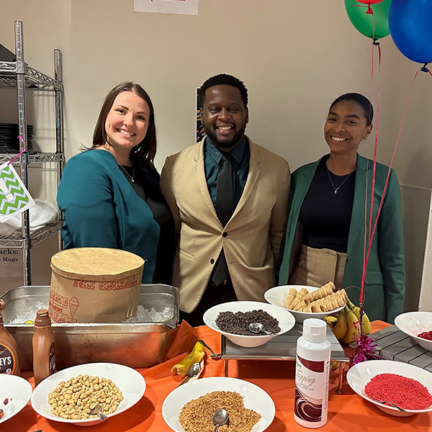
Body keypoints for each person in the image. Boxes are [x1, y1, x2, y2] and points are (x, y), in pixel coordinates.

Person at [161, 73, 291, 326]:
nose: (224, 117)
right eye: (214, 109)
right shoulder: (174, 165)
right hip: (192, 293)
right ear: (202, 114)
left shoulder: (277, 167)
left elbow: (278, 234)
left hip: (251, 293)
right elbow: (173, 231)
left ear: (246, 114)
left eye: (233, 109)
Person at [278, 93, 405, 323]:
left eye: (351, 121)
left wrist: (394, 319)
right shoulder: (301, 176)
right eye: (333, 119)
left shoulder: (382, 179)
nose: (339, 128)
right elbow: (287, 242)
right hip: (305, 285)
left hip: (359, 291)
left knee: (354, 356)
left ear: (368, 129)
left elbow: (393, 255)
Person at [57, 82, 174, 284]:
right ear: (105, 115)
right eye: (121, 111)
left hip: (155, 298)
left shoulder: (147, 170)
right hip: (113, 301)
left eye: (140, 117)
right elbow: (96, 260)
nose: (129, 123)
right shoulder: (85, 168)